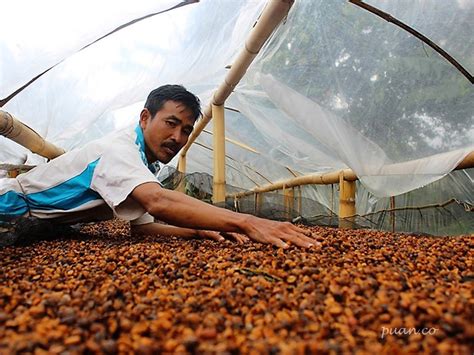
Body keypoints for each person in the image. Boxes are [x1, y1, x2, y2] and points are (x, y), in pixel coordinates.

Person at [0, 85, 317, 248]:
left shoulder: (143, 163)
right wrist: (247, 222)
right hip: (7, 209)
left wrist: (198, 229)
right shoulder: (117, 150)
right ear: (144, 118)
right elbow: (159, 201)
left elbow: (144, 226)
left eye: (186, 131)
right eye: (171, 123)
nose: (177, 137)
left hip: (37, 225)